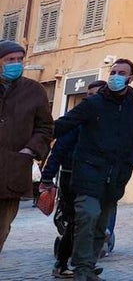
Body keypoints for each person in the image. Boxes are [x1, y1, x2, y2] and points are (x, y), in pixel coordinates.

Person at [55, 58, 133, 281]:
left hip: (116, 175)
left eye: (121, 72)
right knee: (88, 215)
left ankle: (88, 266)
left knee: (101, 224)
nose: (116, 76)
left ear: (131, 78)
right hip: (88, 170)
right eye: (113, 71)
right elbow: (65, 124)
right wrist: (36, 132)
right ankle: (81, 268)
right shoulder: (93, 103)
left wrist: (131, 160)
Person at [40, 80, 106, 278]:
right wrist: (47, 177)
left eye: (96, 95)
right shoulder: (77, 121)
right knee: (76, 222)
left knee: (89, 222)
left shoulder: (105, 121)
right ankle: (62, 263)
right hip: (72, 177)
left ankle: (84, 263)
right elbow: (58, 149)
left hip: (96, 177)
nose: (91, 99)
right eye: (89, 95)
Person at [0, 40, 53, 254]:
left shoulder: (34, 90)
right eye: (10, 60)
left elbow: (45, 127)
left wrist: (30, 150)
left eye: (19, 60)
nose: (16, 64)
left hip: (12, 171)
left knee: (2, 229)